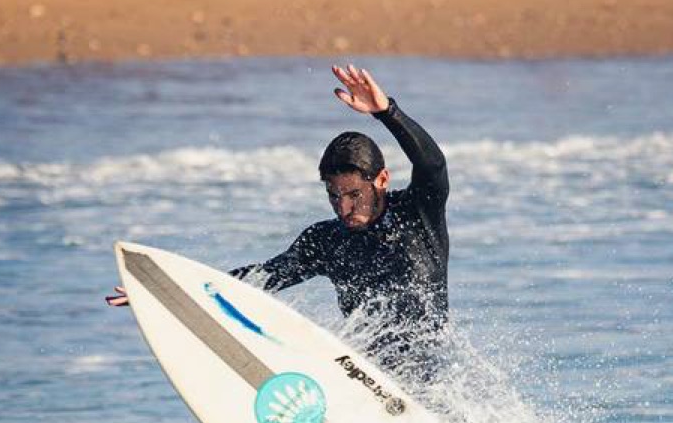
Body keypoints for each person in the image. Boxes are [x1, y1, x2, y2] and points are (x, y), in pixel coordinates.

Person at [109, 64, 452, 380]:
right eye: (334, 196)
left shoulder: (416, 214)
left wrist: (386, 113)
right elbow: (259, 279)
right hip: (367, 379)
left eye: (353, 194)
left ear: (382, 180)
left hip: (429, 382)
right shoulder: (327, 241)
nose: (343, 207)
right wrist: (163, 289)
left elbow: (433, 166)